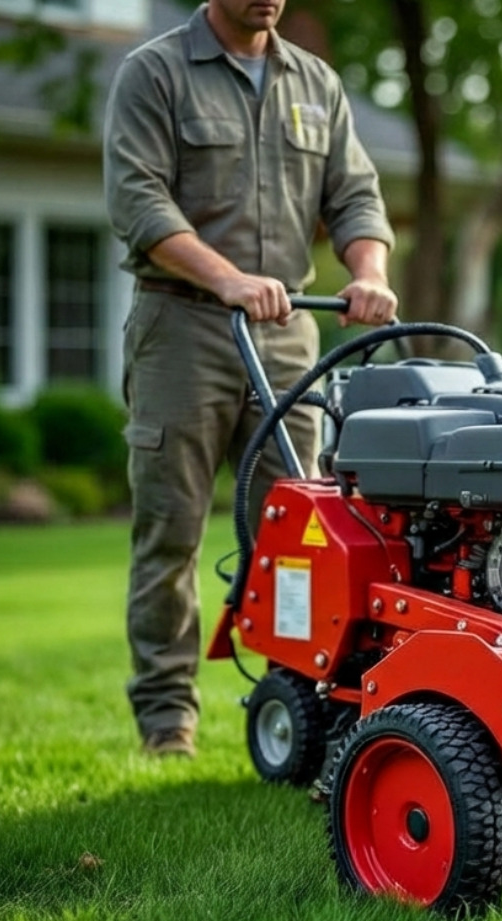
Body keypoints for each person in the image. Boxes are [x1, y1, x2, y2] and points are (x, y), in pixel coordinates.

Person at [103, 0, 398, 757]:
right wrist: (227, 277)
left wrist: (367, 272)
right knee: (170, 535)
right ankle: (168, 722)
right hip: (181, 330)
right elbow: (137, 200)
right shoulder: (156, 72)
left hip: (288, 332)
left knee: (306, 535)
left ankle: (298, 712)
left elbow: (354, 196)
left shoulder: (315, 82)